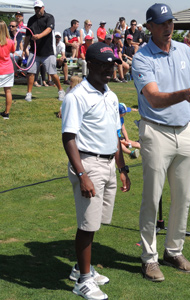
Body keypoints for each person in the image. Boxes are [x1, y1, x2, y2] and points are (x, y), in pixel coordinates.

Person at [132, 3, 190, 282]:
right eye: (161, 23)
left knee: (183, 197)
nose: (167, 27)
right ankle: (149, 259)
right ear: (149, 26)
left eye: (170, 22)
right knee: (152, 198)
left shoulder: (185, 50)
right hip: (156, 131)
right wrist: (184, 95)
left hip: (185, 130)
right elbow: (154, 98)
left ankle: (174, 251)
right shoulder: (141, 58)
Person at [62, 42, 131, 300]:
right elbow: (68, 138)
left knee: (97, 222)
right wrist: (82, 175)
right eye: (102, 64)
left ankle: (81, 267)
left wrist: (122, 167)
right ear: (89, 65)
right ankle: (83, 280)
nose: (108, 69)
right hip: (88, 164)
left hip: (108, 164)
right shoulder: (76, 96)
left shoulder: (111, 95)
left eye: (111, 64)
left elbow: (114, 135)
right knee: (87, 224)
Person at [23, 0, 65, 102]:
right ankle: (29, 93)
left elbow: (49, 29)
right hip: (34, 51)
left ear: (43, 7)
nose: (37, 10)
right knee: (30, 73)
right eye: (35, 8)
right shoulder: (31, 20)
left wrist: (39, 36)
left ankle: (60, 91)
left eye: (39, 8)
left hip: (47, 51)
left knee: (52, 73)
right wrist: (24, 49)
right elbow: (28, 35)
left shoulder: (49, 17)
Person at [0, 20, 15, 120]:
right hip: (8, 69)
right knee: (8, 91)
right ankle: (6, 113)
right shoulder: (10, 42)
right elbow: (13, 51)